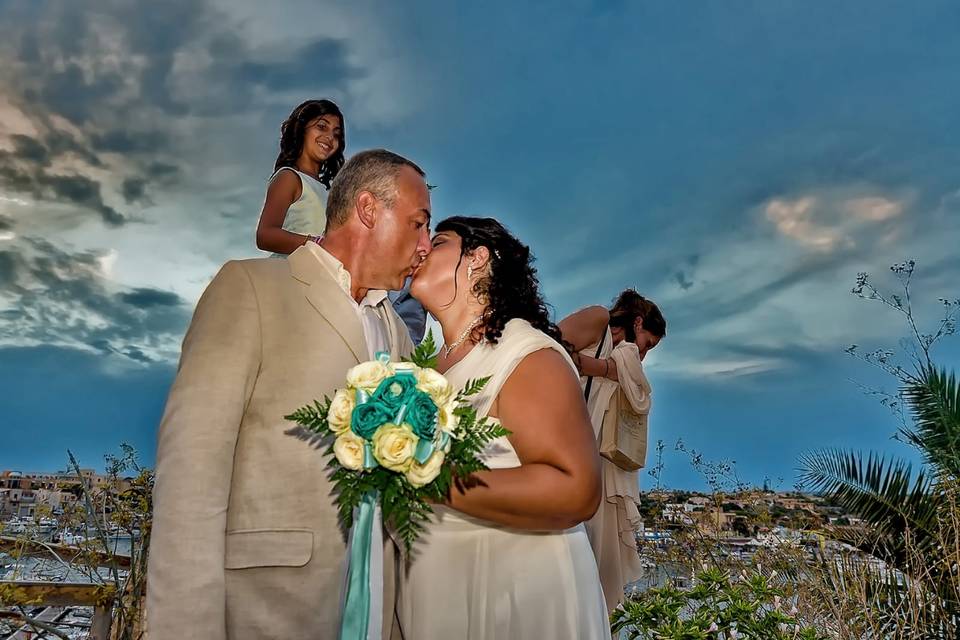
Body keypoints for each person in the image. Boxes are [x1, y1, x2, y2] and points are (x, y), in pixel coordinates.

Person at [147, 149, 432, 640]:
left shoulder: (399, 333)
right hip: (268, 610)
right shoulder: (252, 289)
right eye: (418, 224)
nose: (425, 245)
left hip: (373, 608)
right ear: (368, 210)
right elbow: (192, 476)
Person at [400, 216, 608, 639]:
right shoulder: (430, 365)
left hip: (512, 594)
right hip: (442, 592)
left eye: (437, 241)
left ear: (476, 258)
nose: (420, 247)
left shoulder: (526, 354)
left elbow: (576, 489)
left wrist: (428, 481)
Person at [559, 290, 666, 615]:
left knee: (596, 562)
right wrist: (607, 368)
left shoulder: (626, 360)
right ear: (637, 322)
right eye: (647, 344)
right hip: (572, 450)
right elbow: (545, 350)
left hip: (604, 461)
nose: (643, 356)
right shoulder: (598, 320)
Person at [255, 99, 345, 255]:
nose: (330, 137)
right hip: (290, 274)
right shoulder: (289, 178)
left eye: (336, 134)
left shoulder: (331, 193)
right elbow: (265, 235)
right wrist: (316, 243)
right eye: (322, 127)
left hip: (324, 275)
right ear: (301, 129)